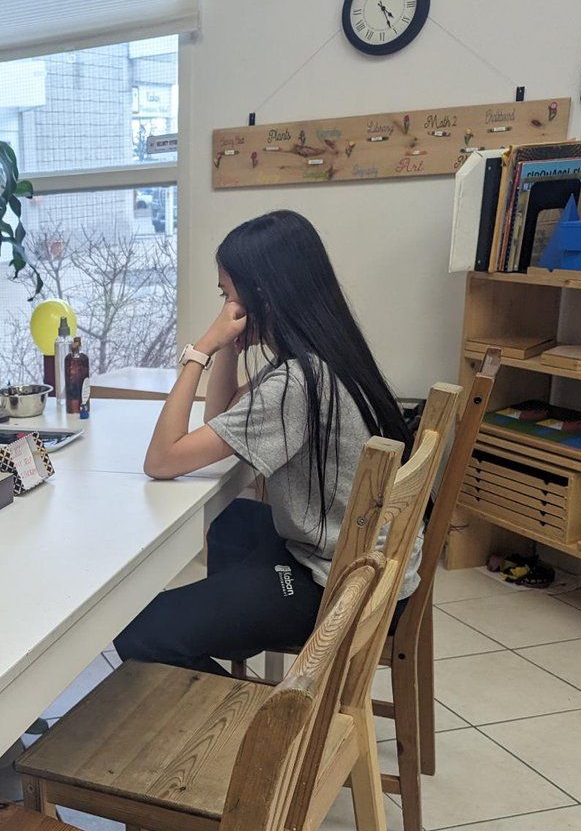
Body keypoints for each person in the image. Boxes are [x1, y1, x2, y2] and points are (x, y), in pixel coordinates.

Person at [114, 210, 417, 675]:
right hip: (365, 563)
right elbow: (223, 420)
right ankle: (229, 632)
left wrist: (200, 349)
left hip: (340, 587)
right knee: (229, 520)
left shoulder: (296, 384)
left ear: (263, 297)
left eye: (229, 296)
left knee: (138, 631)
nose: (226, 312)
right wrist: (226, 350)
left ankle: (242, 720)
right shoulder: (324, 356)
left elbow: (162, 460)